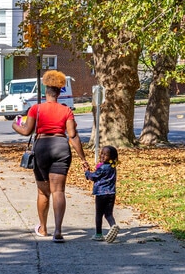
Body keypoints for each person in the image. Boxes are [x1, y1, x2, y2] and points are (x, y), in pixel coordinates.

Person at [12, 70, 90, 243]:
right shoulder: (66, 111)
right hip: (61, 148)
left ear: (45, 91)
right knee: (59, 191)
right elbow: (73, 135)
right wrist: (83, 159)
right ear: (59, 93)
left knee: (43, 192)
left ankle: (43, 228)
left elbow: (26, 131)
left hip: (42, 148)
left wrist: (14, 124)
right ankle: (58, 231)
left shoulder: (36, 109)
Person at [84, 145, 119, 243]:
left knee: (99, 214)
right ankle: (113, 226)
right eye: (102, 153)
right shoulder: (112, 167)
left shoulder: (103, 168)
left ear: (111, 157)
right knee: (108, 214)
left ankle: (98, 234)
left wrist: (87, 172)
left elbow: (93, 177)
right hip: (111, 193)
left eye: (105, 155)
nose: (102, 156)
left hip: (101, 194)